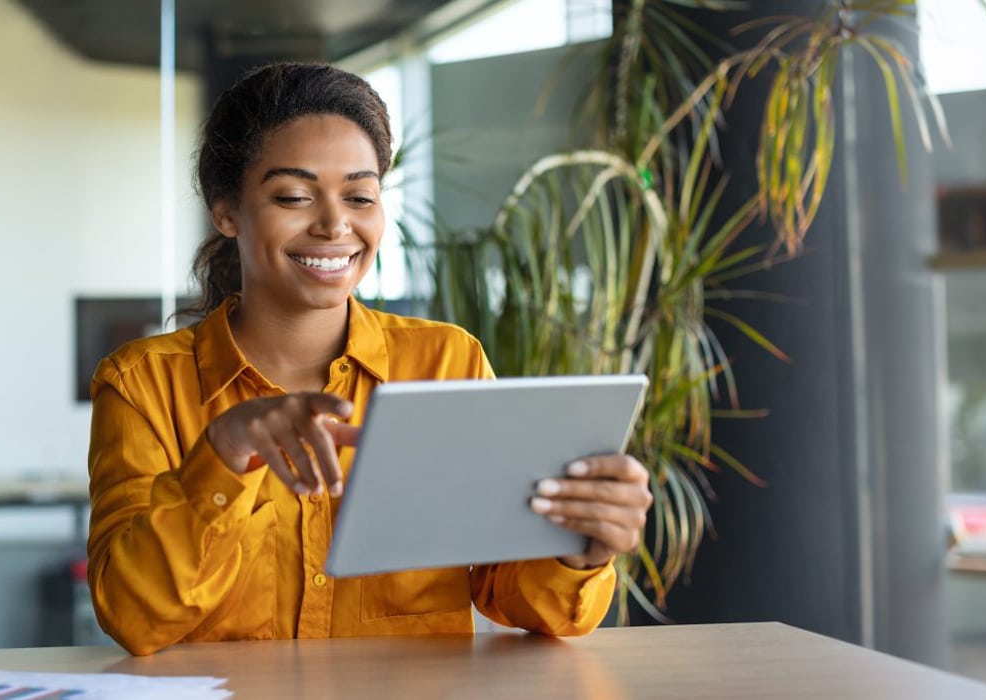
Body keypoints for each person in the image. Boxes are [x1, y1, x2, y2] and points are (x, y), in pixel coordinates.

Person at [86, 62, 653, 656]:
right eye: (294, 196)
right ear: (226, 211)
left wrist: (576, 547)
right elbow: (132, 616)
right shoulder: (141, 384)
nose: (335, 225)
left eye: (359, 196)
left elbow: (513, 595)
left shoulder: (445, 362)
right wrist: (223, 456)